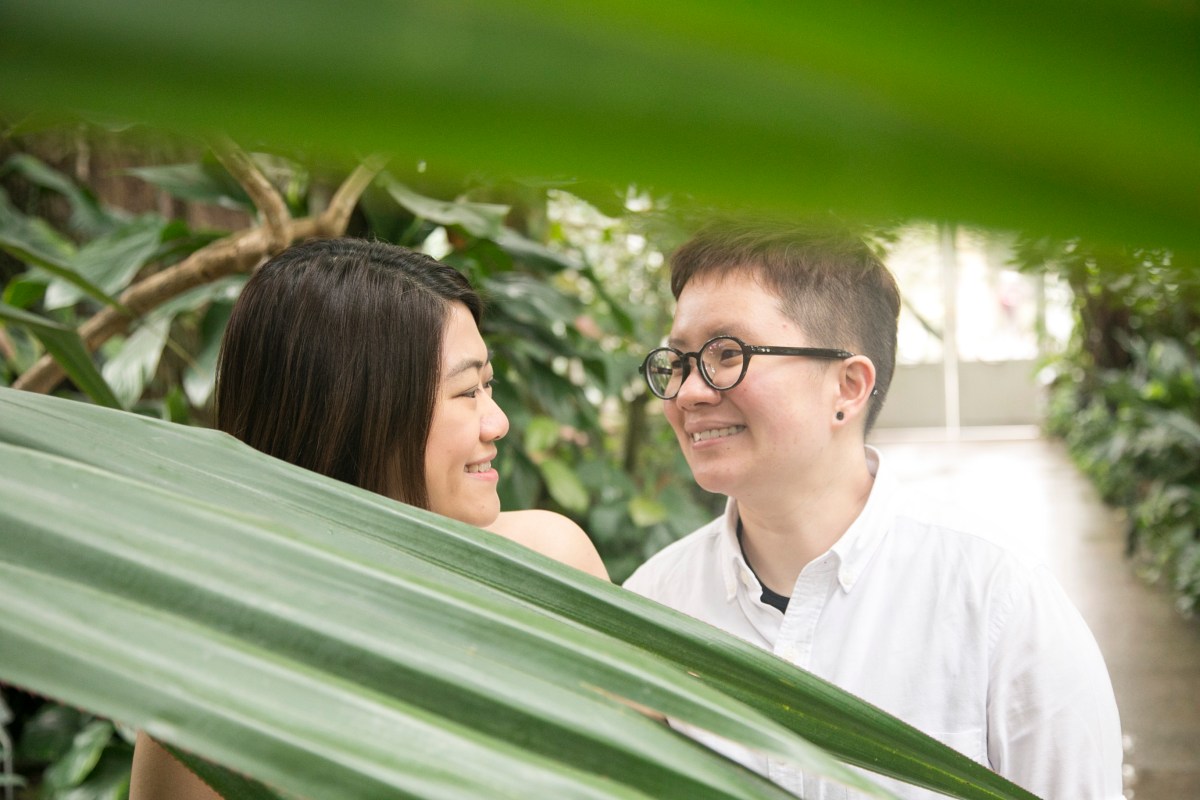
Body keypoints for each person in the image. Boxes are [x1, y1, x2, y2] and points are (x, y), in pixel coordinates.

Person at [623, 221, 1123, 799]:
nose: (689, 392)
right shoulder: (653, 604)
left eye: (727, 354)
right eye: (680, 361)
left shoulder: (997, 602)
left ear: (849, 386)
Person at [130, 237, 608, 799]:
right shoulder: (217, 661)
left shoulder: (550, 568)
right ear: (361, 416)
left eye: (488, 384)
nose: (497, 421)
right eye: (466, 392)